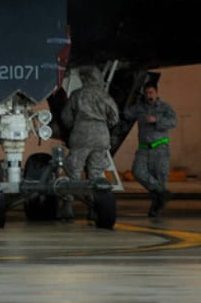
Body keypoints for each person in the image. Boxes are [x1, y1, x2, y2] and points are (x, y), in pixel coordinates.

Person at [60, 66, 120, 218]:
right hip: (101, 136)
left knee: (73, 171)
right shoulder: (105, 96)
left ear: (84, 79)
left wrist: (76, 125)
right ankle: (94, 208)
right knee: (95, 173)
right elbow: (114, 118)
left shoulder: (77, 95)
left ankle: (68, 206)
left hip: (82, 134)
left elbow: (66, 117)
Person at [123, 80, 178, 217]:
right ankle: (161, 192)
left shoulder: (165, 107)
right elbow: (126, 113)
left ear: (157, 92)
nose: (149, 96)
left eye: (151, 92)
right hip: (144, 149)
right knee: (137, 171)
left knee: (160, 177)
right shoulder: (139, 107)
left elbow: (174, 121)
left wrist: (157, 121)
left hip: (160, 148)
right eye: (147, 93)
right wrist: (133, 99)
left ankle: (156, 207)